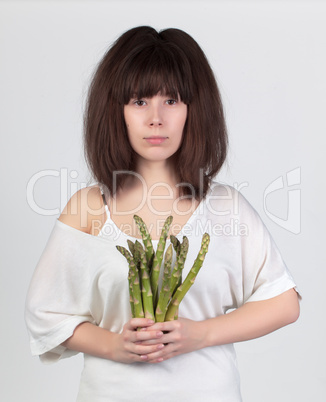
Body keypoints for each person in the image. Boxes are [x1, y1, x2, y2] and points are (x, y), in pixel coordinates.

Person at [25, 26, 300, 401]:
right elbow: (46, 316)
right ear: (116, 111)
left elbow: (284, 303)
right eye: (139, 101)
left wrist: (201, 334)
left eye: (171, 101)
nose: (156, 118)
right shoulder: (88, 208)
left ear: (194, 109)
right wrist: (113, 345)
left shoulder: (225, 207)